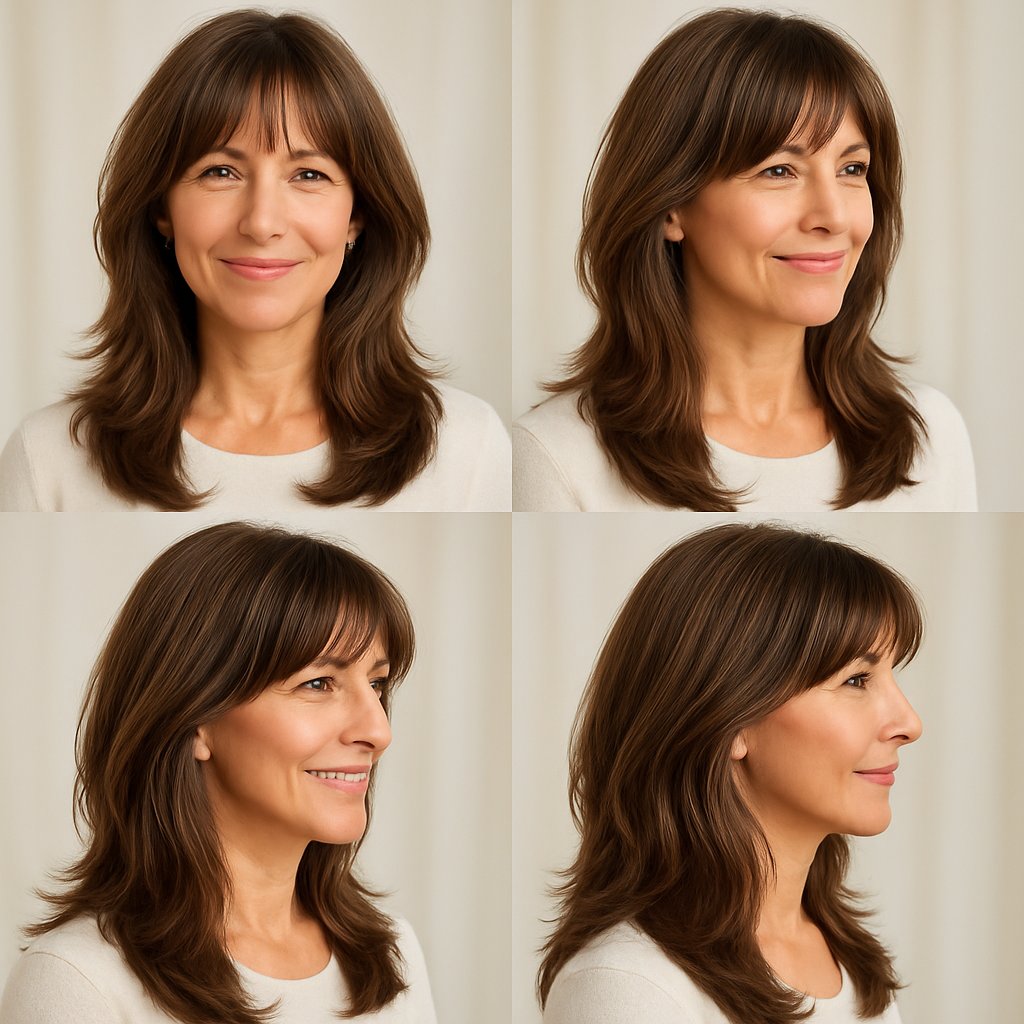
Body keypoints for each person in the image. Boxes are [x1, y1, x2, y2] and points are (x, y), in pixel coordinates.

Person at [0, 10, 509, 511]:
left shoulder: (468, 451)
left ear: (357, 215)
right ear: (161, 209)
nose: (262, 222)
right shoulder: (49, 462)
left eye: (308, 175)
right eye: (220, 172)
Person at [514, 8, 975, 512]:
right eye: (779, 171)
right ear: (671, 205)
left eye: (852, 168)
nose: (834, 216)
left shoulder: (930, 436)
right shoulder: (558, 456)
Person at [0, 522, 436, 1023]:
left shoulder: (389, 953)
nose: (378, 731)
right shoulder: (78, 983)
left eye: (377, 684)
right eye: (318, 683)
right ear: (195, 718)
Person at [539, 523, 922, 1023]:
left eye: (892, 676)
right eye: (856, 679)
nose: (909, 723)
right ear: (731, 716)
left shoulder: (852, 961)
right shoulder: (627, 987)